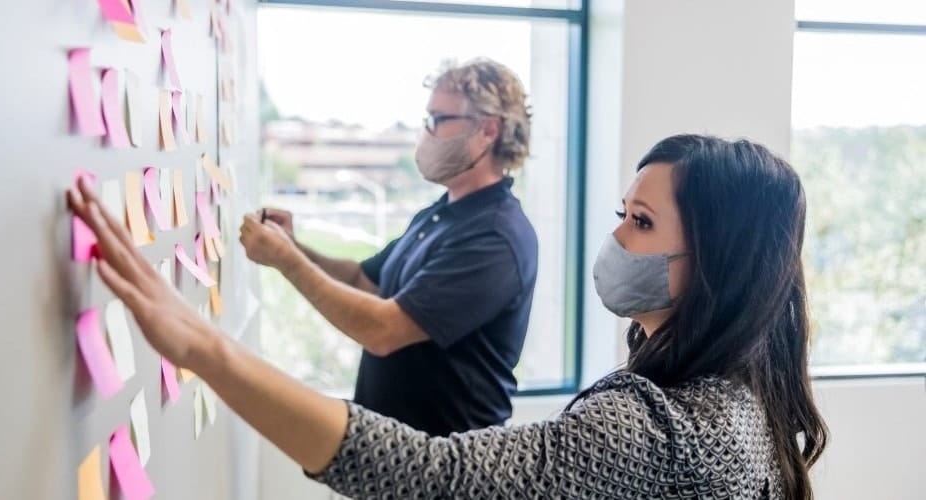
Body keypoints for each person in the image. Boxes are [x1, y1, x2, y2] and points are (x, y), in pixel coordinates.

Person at [67, 134, 828, 499]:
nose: (616, 239)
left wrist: (207, 348)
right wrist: (296, 251)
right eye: (620, 214)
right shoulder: (738, 393)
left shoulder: (660, 428)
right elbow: (375, 276)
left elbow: (434, 465)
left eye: (642, 223)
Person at [238, 59, 539, 436]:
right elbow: (364, 281)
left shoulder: (495, 236)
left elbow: (383, 330)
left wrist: (285, 261)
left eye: (438, 119)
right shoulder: (442, 214)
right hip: (395, 453)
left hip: (446, 466)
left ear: (488, 130)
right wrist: (293, 247)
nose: (426, 132)